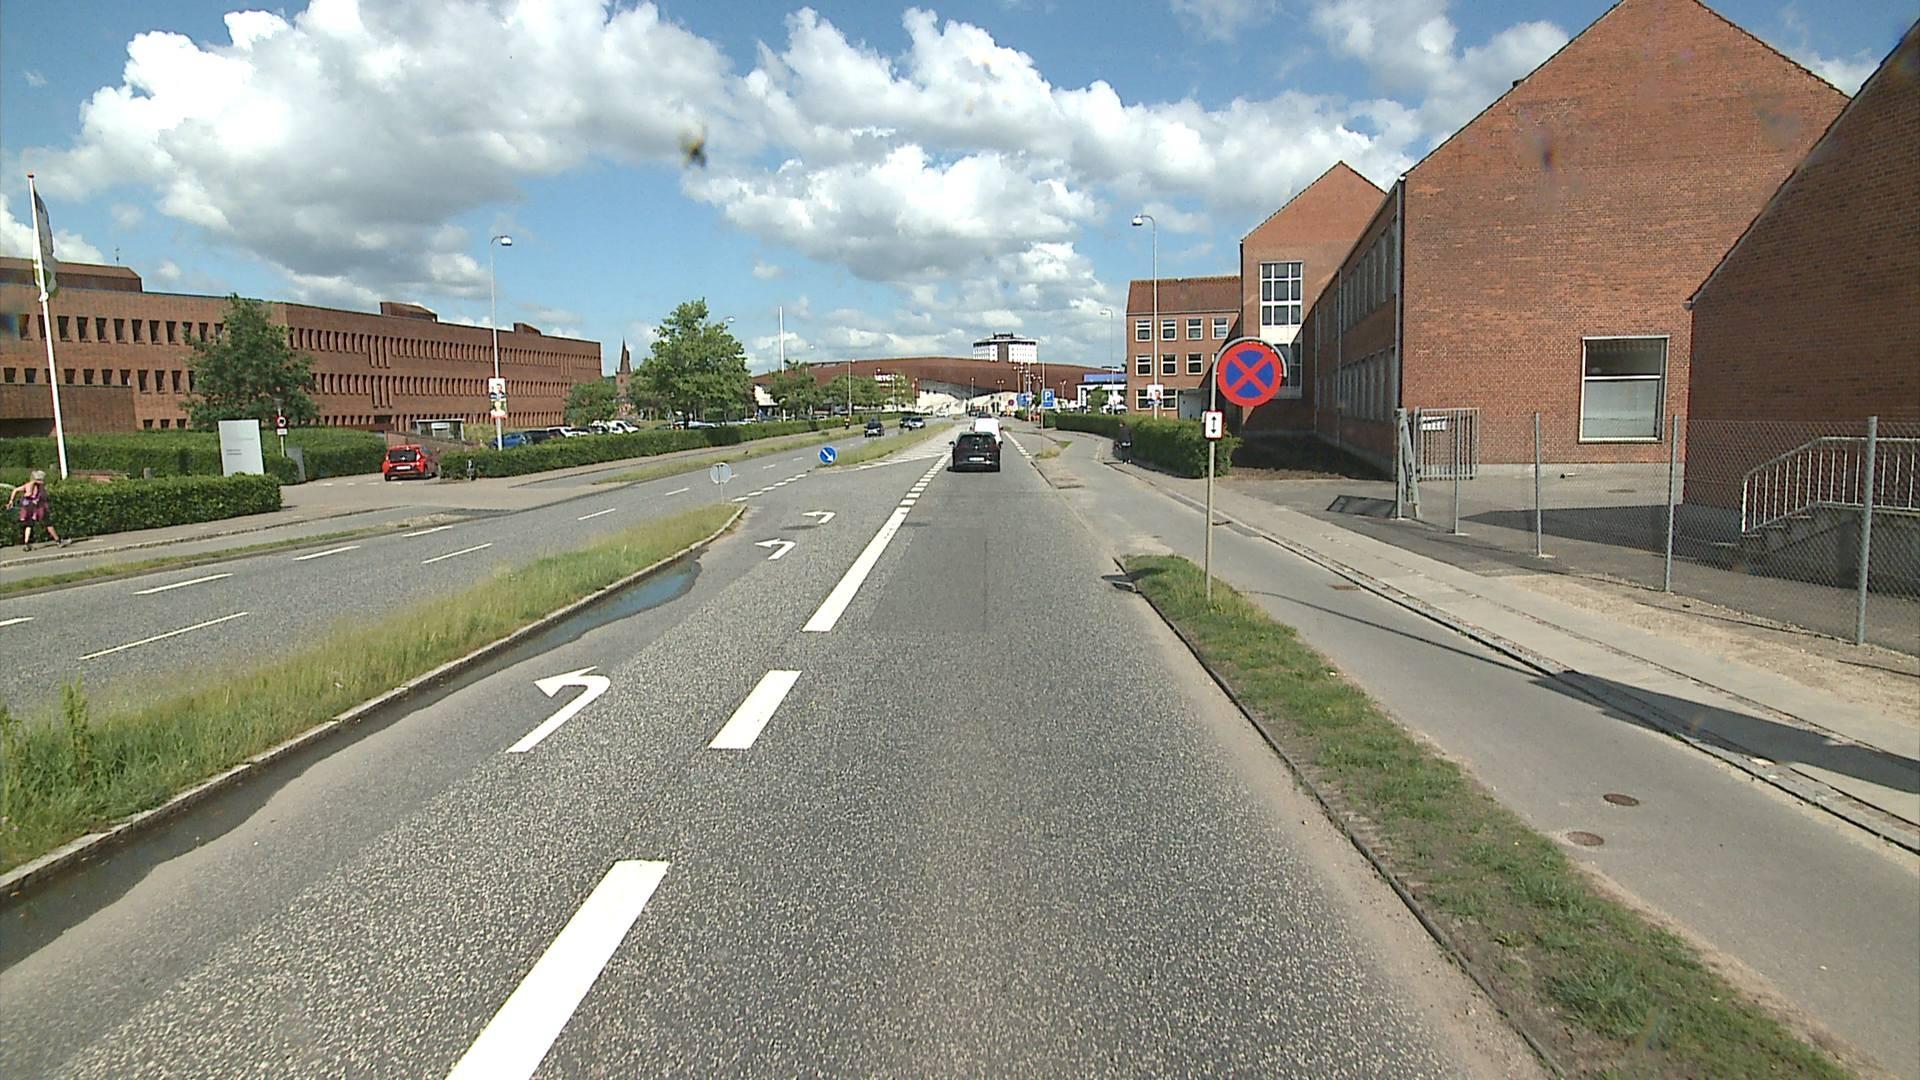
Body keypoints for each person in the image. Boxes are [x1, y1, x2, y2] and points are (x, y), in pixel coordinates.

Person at [6, 469, 70, 551]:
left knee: (29, 524)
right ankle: (58, 541)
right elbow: (41, 493)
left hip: (27, 506)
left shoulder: (27, 485)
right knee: (48, 523)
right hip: (37, 507)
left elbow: (15, 490)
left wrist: (11, 500)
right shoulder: (39, 486)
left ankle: (26, 543)